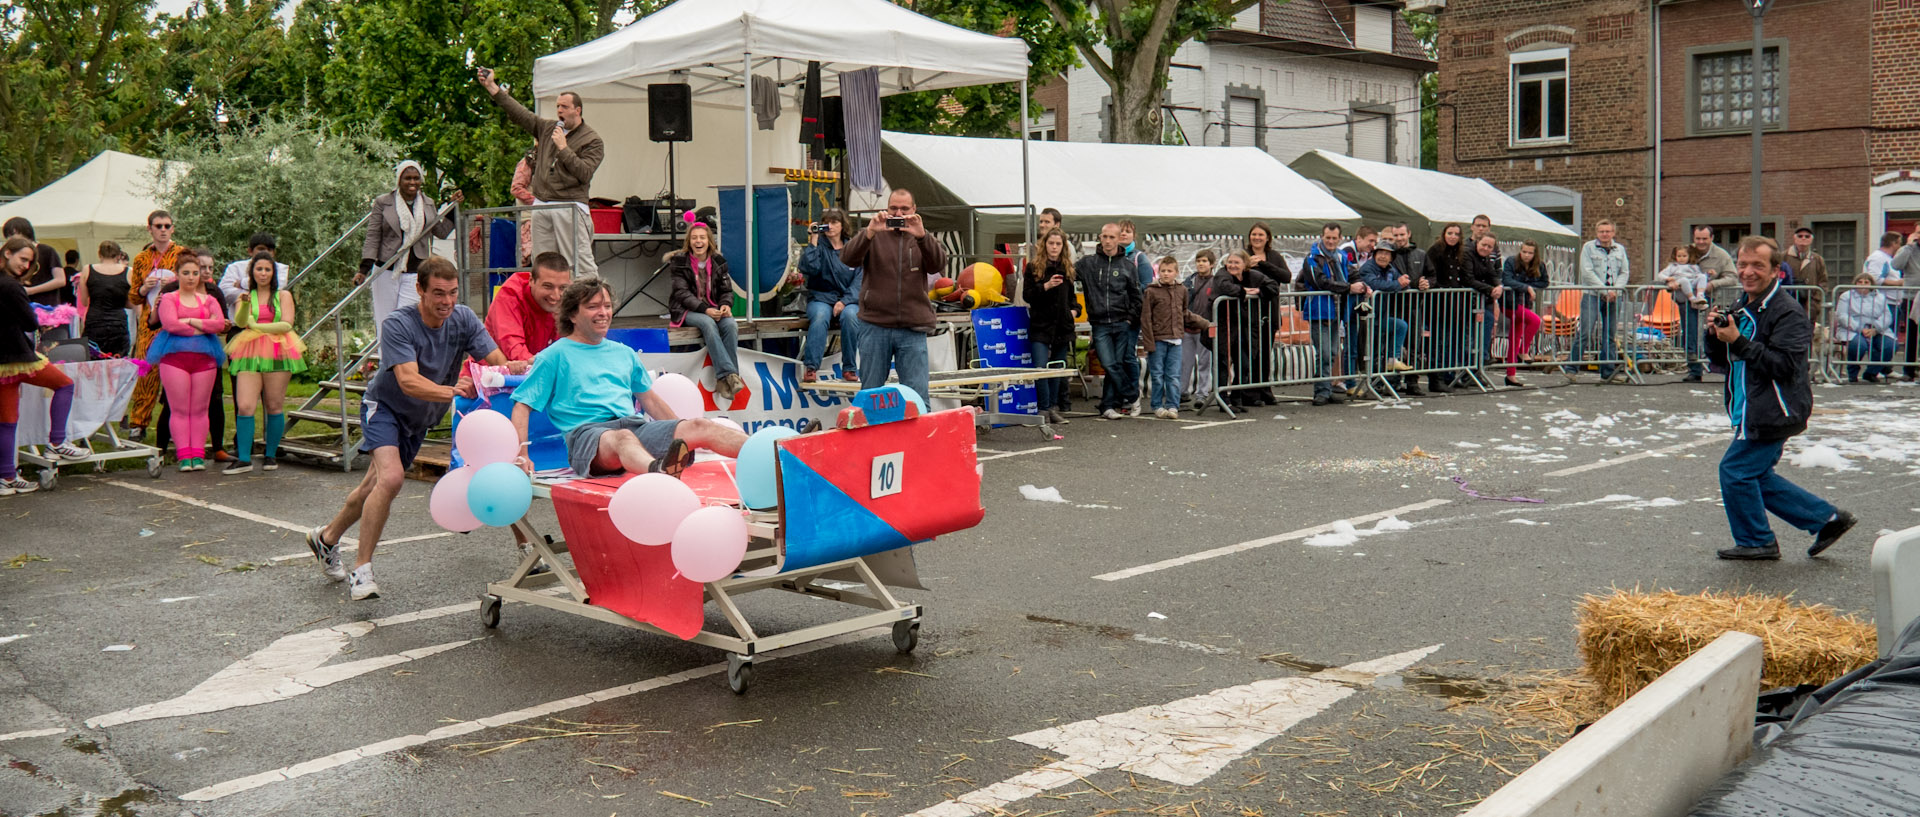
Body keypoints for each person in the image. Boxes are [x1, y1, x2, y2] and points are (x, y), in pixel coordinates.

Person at [307, 258, 526, 601]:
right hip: (386, 409)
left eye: (453, 293)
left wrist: (511, 369)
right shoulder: (399, 324)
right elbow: (408, 381)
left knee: (373, 488)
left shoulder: (464, 318)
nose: (447, 302)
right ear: (420, 290)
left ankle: (327, 538)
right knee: (391, 478)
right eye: (438, 293)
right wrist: (452, 391)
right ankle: (362, 571)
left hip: (420, 419)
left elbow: (495, 359)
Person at [1705, 236, 1856, 561]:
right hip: (1751, 408)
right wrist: (1715, 335)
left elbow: (1786, 365)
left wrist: (1740, 341)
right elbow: (1722, 360)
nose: (1747, 272)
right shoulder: (1744, 305)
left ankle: (1757, 540)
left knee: (1735, 471)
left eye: (1757, 265)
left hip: (1775, 409)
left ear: (1776, 270)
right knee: (1757, 476)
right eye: (1743, 264)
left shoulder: (1787, 312)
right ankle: (1826, 519)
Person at [512, 277, 747, 481]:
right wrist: (522, 454)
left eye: (607, 305)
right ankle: (660, 473)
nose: (603, 312)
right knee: (622, 438)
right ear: (572, 314)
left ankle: (770, 451)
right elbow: (522, 406)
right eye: (593, 306)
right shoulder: (553, 355)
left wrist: (680, 434)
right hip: (587, 434)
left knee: (700, 425)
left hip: (635, 427)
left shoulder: (624, 352)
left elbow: (651, 402)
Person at [477, 67, 604, 277]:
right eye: (557, 106)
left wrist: (563, 148)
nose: (559, 111)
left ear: (578, 110)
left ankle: (591, 306)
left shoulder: (593, 140)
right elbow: (520, 114)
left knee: (578, 265)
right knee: (543, 265)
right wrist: (493, 87)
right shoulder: (548, 128)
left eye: (564, 106)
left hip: (570, 206)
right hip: (542, 205)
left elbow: (585, 173)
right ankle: (548, 308)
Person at [842, 188, 947, 403]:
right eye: (893, 208)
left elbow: (939, 264)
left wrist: (922, 236)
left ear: (914, 210)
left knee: (917, 398)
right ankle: (872, 436)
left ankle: (916, 437)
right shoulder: (874, 234)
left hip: (912, 326)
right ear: (886, 208)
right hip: (875, 325)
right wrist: (869, 232)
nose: (898, 214)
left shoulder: (921, 237)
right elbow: (848, 259)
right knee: (870, 396)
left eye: (904, 209)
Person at [1, 237, 89, 495]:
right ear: (7, 253)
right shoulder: (11, 286)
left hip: (3, 359)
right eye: (22, 259)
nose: (25, 265)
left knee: (7, 420)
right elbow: (29, 322)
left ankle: (6, 475)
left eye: (29, 262)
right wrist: (42, 320)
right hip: (18, 356)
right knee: (64, 384)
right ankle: (58, 441)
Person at [222, 253, 307, 474]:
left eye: (267, 269)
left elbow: (286, 324)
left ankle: (270, 454)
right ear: (251, 272)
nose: (263, 273)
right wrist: (243, 307)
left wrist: (256, 326)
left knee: (274, 405)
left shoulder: (283, 295)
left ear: (273, 273)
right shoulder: (245, 295)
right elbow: (241, 322)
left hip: (279, 351)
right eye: (258, 269)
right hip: (249, 351)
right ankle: (243, 458)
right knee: (245, 405)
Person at [145, 254, 227, 471]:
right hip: (174, 359)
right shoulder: (170, 297)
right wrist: (202, 326)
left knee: (200, 408)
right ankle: (184, 456)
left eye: (195, 273)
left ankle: (197, 456)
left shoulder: (210, 299)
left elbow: (219, 324)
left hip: (204, 359)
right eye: (186, 273)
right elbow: (171, 324)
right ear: (178, 274)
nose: (191, 278)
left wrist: (190, 321)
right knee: (179, 409)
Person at [360, 161, 462, 334]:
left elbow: (442, 232)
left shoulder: (427, 203)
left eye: (416, 178)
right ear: (399, 180)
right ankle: (387, 361)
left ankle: (404, 360)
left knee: (406, 320)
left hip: (416, 271)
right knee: (385, 320)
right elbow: (373, 236)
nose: (412, 182)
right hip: (386, 268)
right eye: (408, 178)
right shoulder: (383, 202)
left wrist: (452, 208)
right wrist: (364, 269)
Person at [125, 210, 185, 438]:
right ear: (149, 228)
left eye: (166, 226)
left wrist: (175, 281)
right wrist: (144, 287)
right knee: (146, 371)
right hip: (149, 323)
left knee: (175, 372)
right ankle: (138, 423)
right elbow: (134, 297)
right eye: (158, 226)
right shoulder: (141, 259)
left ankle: (173, 423)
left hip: (176, 321)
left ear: (172, 228)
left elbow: (193, 283)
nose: (162, 230)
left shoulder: (181, 254)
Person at [667, 223, 743, 401]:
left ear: (709, 241)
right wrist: (705, 310)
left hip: (713, 308)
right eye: (694, 238)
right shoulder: (679, 262)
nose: (698, 241)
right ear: (689, 241)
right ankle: (730, 375)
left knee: (731, 325)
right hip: (687, 310)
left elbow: (726, 291)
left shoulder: (719, 262)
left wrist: (725, 305)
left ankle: (727, 381)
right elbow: (681, 293)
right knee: (707, 323)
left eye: (702, 237)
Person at [1075, 223, 1143, 419]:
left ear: (1118, 239)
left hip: (1122, 322)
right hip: (1099, 323)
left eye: (1111, 237)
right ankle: (1132, 396)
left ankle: (1107, 406)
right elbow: (1067, 274)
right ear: (1100, 237)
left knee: (1116, 364)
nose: (1107, 241)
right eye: (1104, 237)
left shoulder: (1128, 266)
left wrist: (1130, 319)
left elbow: (1137, 297)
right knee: (1109, 364)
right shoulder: (1088, 263)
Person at [798, 209, 864, 384]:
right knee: (819, 318)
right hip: (821, 297)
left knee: (851, 317)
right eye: (827, 223)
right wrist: (813, 239)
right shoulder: (819, 246)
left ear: (843, 225)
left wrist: (845, 301)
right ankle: (811, 367)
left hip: (847, 299)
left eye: (835, 222)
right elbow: (809, 268)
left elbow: (860, 280)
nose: (831, 226)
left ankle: (849, 368)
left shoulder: (853, 248)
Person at [1212, 250, 1282, 409]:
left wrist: (1259, 291)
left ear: (1245, 265)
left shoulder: (1253, 276)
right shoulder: (1221, 274)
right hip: (1225, 325)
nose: (1232, 265)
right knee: (1223, 363)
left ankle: (1237, 397)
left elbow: (1273, 286)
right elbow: (1225, 287)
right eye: (1230, 262)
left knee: (1244, 363)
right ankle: (1222, 399)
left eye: (1237, 262)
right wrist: (1244, 291)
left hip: (1245, 325)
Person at [1140, 257, 1208, 419]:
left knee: (1174, 375)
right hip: (1158, 340)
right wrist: (1149, 343)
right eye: (1163, 271)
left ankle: (1172, 405)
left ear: (1176, 273)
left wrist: (1204, 323)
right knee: (1157, 375)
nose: (1166, 274)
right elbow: (1146, 319)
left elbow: (1184, 312)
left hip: (1176, 340)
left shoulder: (1182, 290)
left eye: (1169, 271)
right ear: (1158, 272)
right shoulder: (1151, 291)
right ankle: (1157, 405)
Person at [1023, 228, 1078, 426]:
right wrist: (1045, 286)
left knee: (1057, 369)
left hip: (1062, 325)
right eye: (1051, 243)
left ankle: (1053, 408)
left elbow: (1073, 299)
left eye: (1058, 244)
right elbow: (1027, 295)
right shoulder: (1033, 267)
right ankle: (1043, 408)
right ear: (1044, 245)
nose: (1054, 247)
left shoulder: (1068, 268)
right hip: (1041, 324)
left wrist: (1074, 311)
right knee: (1040, 368)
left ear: (1063, 247)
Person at [1302, 223, 1360, 406]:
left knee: (1334, 352)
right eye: (1328, 237)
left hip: (1337, 311)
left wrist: (1362, 285)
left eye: (1334, 238)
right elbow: (1320, 282)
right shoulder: (1312, 258)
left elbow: (1353, 273)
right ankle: (1320, 391)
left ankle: (1326, 389)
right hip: (1319, 311)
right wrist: (1349, 288)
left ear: (1340, 238)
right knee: (1324, 353)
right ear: (1322, 236)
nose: (1331, 241)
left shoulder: (1342, 256)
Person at [1570, 220, 1630, 383]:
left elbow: (1624, 272)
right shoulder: (1589, 248)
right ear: (1597, 233)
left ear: (1613, 232)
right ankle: (1571, 368)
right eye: (1602, 231)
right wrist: (1604, 290)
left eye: (1608, 231)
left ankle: (1608, 371)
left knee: (1610, 334)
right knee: (1586, 331)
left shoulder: (1620, 250)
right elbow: (1587, 272)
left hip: (1614, 297)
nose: (1605, 234)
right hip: (1592, 295)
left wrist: (1616, 290)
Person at [487, 251, 574, 362]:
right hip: (491, 374)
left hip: (538, 370)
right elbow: (513, 347)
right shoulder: (510, 295)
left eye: (562, 287)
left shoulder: (570, 297)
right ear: (531, 280)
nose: (556, 296)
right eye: (548, 286)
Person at [1354, 243, 1414, 380]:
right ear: (1374, 254)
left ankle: (1392, 359)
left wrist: (1404, 282)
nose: (1383, 256)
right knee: (1371, 352)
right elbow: (1376, 285)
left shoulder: (1391, 269)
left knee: (1401, 326)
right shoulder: (1367, 268)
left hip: (1381, 316)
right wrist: (1398, 284)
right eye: (1380, 253)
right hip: (1366, 318)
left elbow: (1403, 284)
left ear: (1391, 257)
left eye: (1387, 254)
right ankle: (1370, 381)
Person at [1423, 223, 1471, 393]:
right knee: (1438, 342)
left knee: (1448, 343)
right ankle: (1435, 378)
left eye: (1456, 234)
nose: (1452, 236)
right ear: (1444, 234)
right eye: (1450, 233)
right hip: (1438, 304)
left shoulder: (1459, 253)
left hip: (1454, 304)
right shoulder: (1435, 250)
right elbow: (1430, 274)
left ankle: (1446, 376)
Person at [1499, 240, 1550, 388]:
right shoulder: (1511, 261)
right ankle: (1523, 351)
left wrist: (1530, 287)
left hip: (1524, 303)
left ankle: (1511, 375)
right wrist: (1526, 287)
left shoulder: (1539, 265)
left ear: (1535, 254)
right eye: (1524, 252)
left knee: (1514, 338)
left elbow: (1544, 282)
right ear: (1520, 251)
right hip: (1510, 303)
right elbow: (1506, 280)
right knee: (1535, 320)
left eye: (1530, 253)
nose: (1526, 255)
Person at [1833, 272, 1895, 384]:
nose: (1863, 285)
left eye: (1866, 282)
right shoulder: (1846, 296)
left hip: (1876, 329)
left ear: (1872, 284)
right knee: (1858, 345)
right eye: (1860, 282)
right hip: (1852, 329)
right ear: (1855, 283)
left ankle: (1871, 373)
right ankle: (1853, 373)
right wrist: (1860, 328)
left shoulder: (1880, 297)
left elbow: (1887, 316)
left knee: (1889, 345)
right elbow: (1842, 316)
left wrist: (1876, 328)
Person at [1389, 224, 1428, 396]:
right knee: (1394, 346)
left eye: (1402, 234)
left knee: (1414, 345)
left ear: (1408, 234)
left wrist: (1427, 283)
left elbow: (1431, 274)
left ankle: (1413, 381)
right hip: (1393, 306)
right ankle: (1393, 381)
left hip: (1413, 306)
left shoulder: (1420, 254)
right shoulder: (1388, 254)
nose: (1399, 238)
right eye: (1396, 235)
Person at [75, 241, 132, 357]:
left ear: (99, 254)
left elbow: (84, 301)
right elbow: (131, 303)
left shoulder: (88, 270)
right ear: (118, 256)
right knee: (118, 363)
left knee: (94, 362)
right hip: (118, 323)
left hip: (95, 322)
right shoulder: (128, 271)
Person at [1181, 250, 1222, 409]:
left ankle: (1202, 394)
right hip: (1188, 327)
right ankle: (1182, 391)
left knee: (1205, 362)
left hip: (1205, 327)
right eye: (1198, 261)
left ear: (1211, 264)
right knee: (1185, 362)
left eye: (1204, 261)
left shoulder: (1216, 282)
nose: (1201, 264)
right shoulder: (1189, 281)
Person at [1465, 233, 1507, 385]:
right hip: (1465, 302)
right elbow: (1468, 279)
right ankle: (1467, 371)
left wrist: (1498, 286)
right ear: (1477, 242)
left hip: (1481, 303)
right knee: (1468, 338)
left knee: (1485, 327)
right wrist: (1490, 290)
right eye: (1484, 244)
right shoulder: (1468, 254)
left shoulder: (1486, 259)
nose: (1486, 248)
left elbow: (1492, 274)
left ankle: (1478, 368)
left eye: (1489, 247)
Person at [2, 218, 68, 310]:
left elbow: (60, 280)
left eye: (13, 235)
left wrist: (31, 291)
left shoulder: (47, 251)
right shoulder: (9, 254)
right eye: (8, 236)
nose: (10, 239)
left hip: (45, 306)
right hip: (21, 305)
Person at [218, 233, 288, 312]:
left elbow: (278, 287)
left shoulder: (281, 268)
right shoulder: (235, 267)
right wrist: (249, 295)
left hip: (270, 322)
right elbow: (224, 291)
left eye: (269, 250)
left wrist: (241, 283)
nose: (265, 253)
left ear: (274, 253)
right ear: (250, 251)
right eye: (261, 249)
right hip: (239, 322)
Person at [1892, 228, 1920, 381]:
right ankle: (1909, 370)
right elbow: (1896, 265)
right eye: (1918, 232)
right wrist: (1909, 246)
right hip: (1911, 296)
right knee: (1911, 334)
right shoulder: (1907, 249)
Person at [1782, 226, 1828, 318]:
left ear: (1811, 239)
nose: (1803, 238)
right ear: (1794, 238)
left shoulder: (1817, 259)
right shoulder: (1784, 256)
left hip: (1809, 306)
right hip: (1787, 302)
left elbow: (1823, 281)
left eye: (1807, 236)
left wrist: (1815, 302)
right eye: (1800, 236)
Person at [1118, 220, 1154, 288]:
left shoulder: (1140, 257)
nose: (1123, 234)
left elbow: (1147, 285)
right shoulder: (1110, 256)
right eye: (1121, 231)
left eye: (1128, 231)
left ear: (1134, 236)